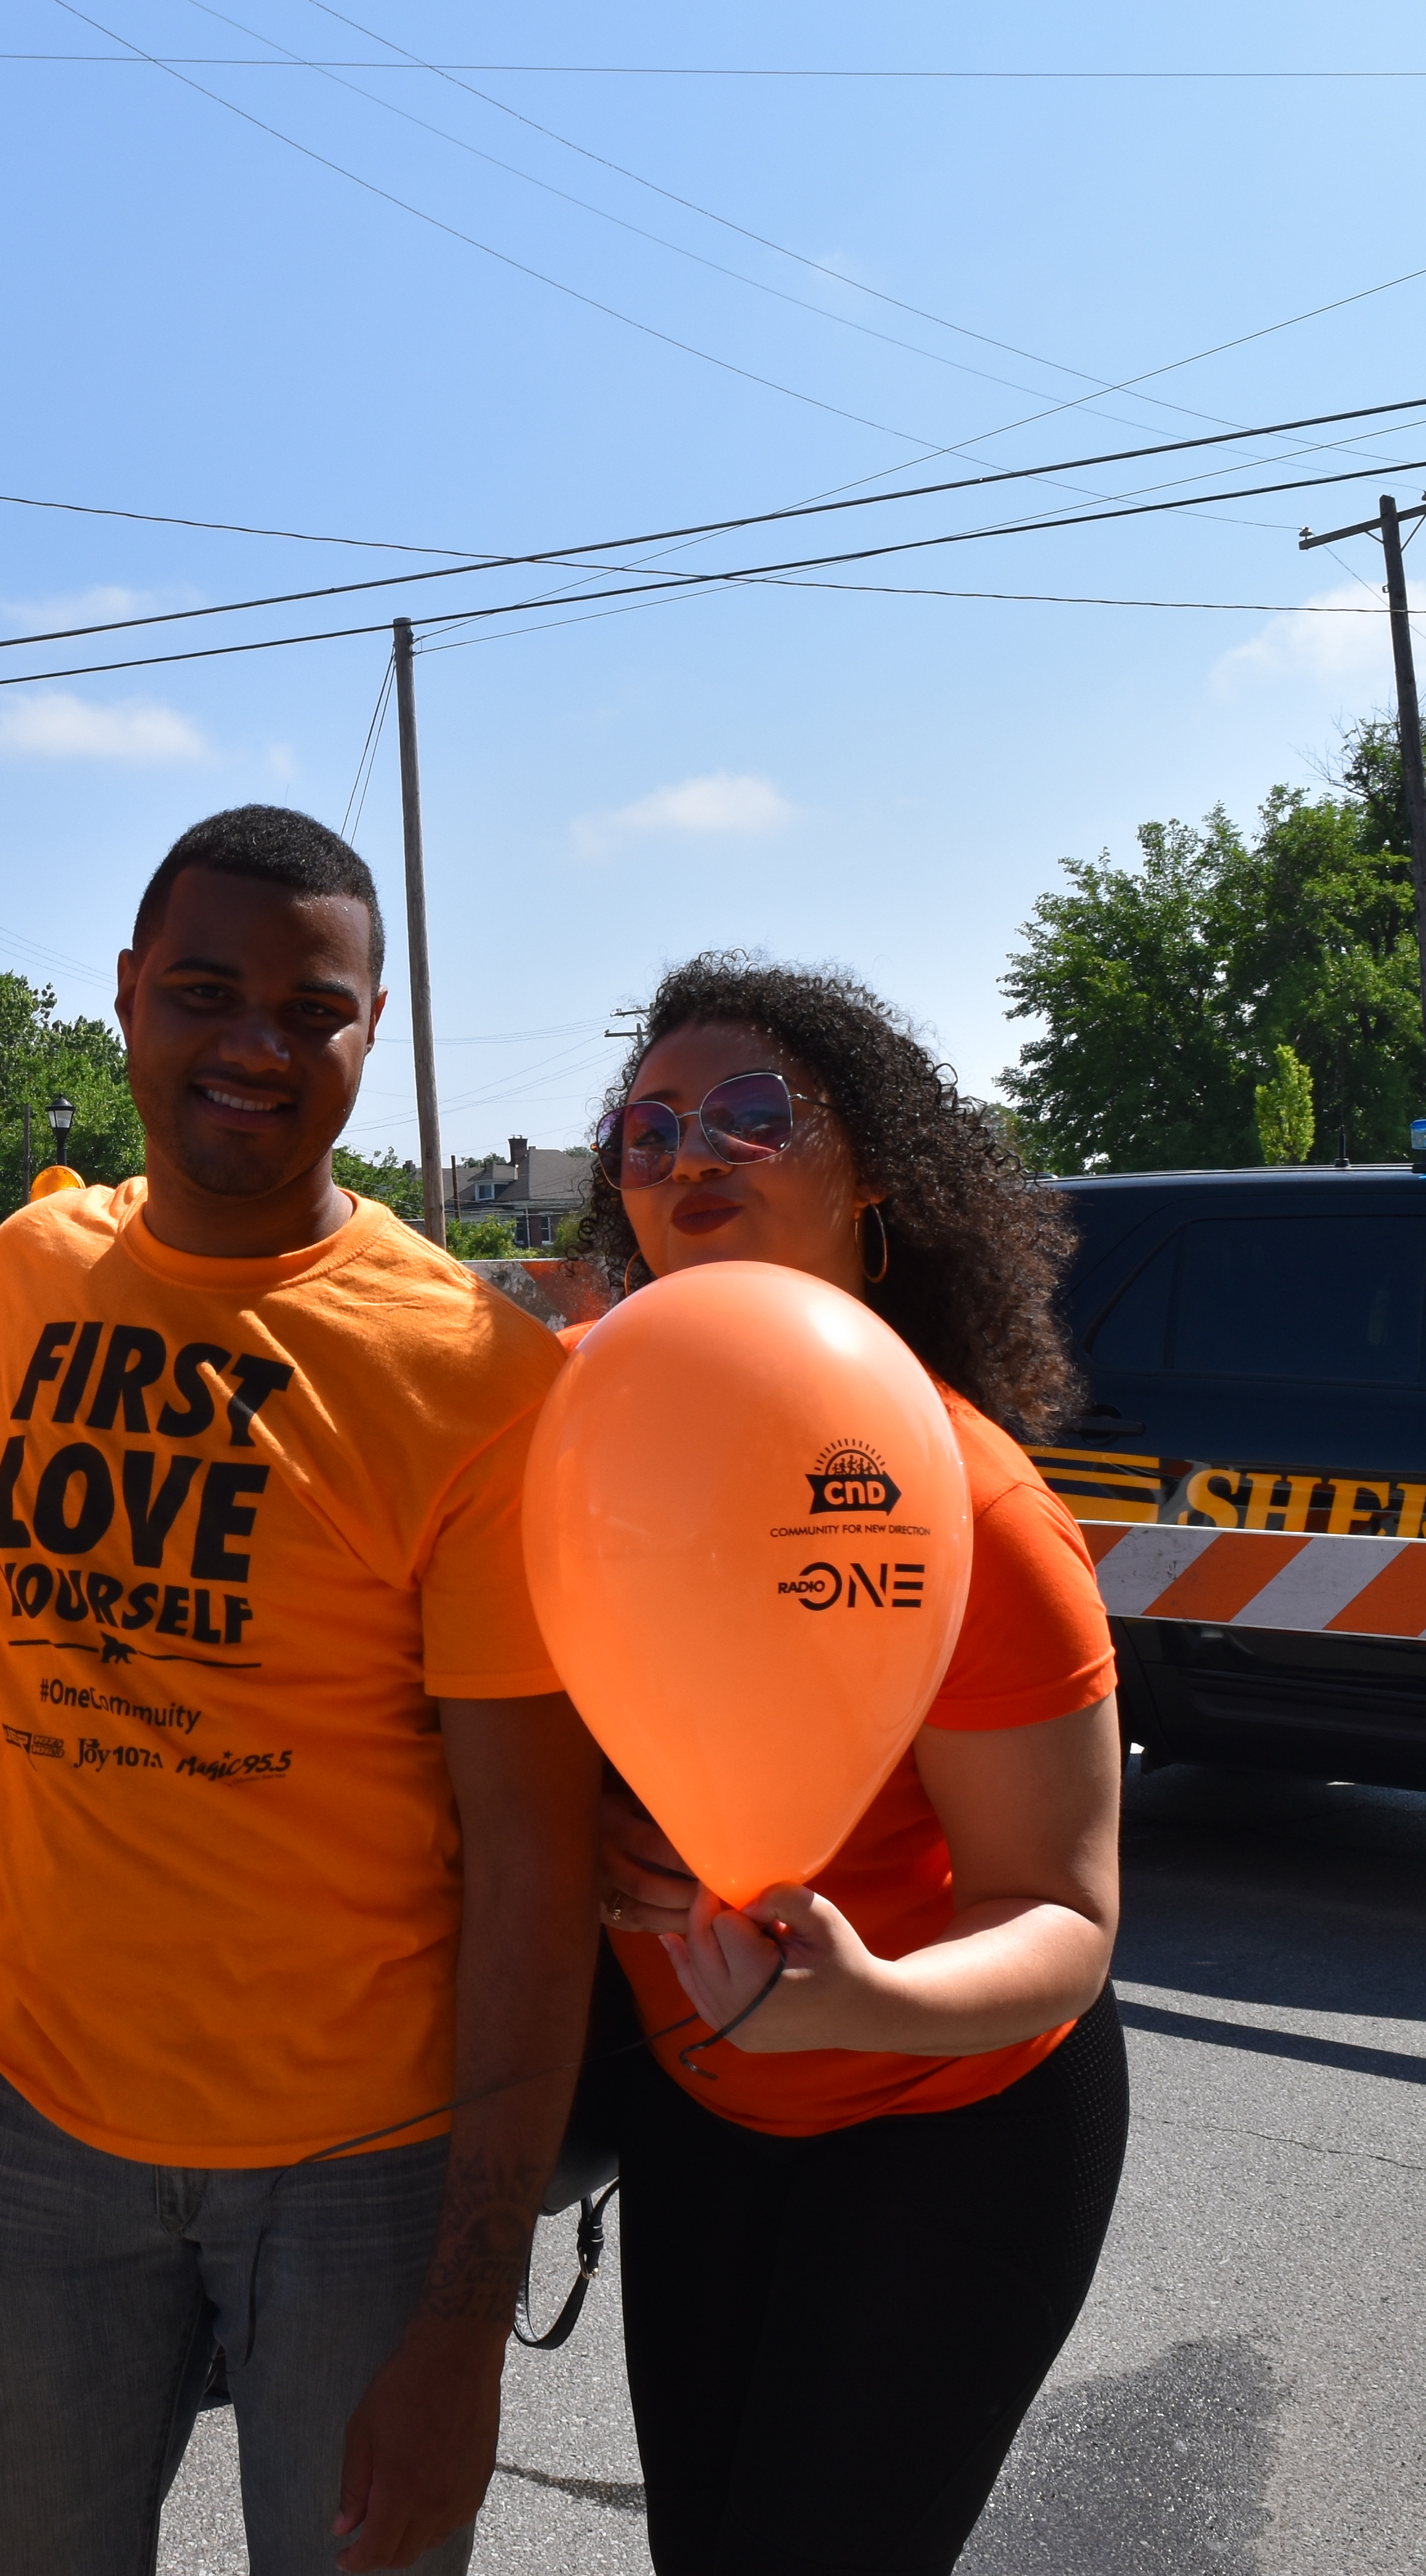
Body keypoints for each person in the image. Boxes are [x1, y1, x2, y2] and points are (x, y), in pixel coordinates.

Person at [0, 806, 603, 2576]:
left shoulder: (476, 1377)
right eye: (210, 992)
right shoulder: (27, 1273)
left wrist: (467, 2322)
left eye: (315, 1011)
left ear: (376, 1031)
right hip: (26, 2130)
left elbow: (539, 1870)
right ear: (130, 997)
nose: (256, 1044)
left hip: (362, 2168)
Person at [576, 954, 1127, 2576]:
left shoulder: (973, 1506)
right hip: (708, 2116)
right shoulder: (584, 1434)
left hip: (952, 2126)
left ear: (872, 1172)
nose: (693, 1155)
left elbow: (1063, 1918)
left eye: (754, 1115)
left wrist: (862, 1993)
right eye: (648, 1127)